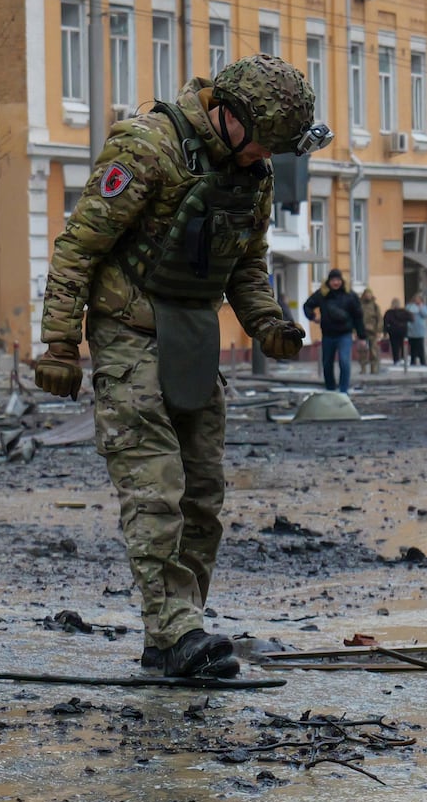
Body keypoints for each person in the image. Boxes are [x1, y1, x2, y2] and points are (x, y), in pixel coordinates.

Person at [33, 54, 331, 680]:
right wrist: (60, 346)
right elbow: (77, 249)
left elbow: (245, 264)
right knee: (155, 485)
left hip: (194, 335)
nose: (263, 159)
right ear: (229, 116)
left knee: (202, 495)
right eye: (262, 145)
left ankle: (176, 628)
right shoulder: (147, 149)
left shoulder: (252, 170)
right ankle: (175, 627)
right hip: (128, 332)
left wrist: (268, 324)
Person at [303, 268, 366, 392]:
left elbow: (358, 316)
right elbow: (307, 305)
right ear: (329, 281)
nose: (335, 283)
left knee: (344, 361)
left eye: (338, 280)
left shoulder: (350, 295)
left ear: (342, 281)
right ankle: (330, 389)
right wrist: (313, 316)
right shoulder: (322, 294)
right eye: (333, 280)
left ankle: (343, 391)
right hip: (328, 335)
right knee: (327, 364)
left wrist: (362, 336)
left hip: (345, 334)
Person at [358, 286, 383, 374]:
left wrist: (379, 330)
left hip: (373, 331)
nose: (368, 296)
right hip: (361, 331)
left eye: (369, 294)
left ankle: (374, 368)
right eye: (366, 294)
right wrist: (354, 331)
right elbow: (356, 318)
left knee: (374, 350)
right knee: (362, 350)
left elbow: (379, 319)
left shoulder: (375, 306)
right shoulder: (359, 305)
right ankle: (363, 368)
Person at [382, 297, 409, 368]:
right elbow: (410, 318)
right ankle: (403, 358)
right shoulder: (403, 311)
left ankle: (396, 360)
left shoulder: (388, 312)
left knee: (395, 346)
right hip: (402, 330)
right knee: (403, 345)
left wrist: (385, 332)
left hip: (393, 331)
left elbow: (385, 322)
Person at [406, 289, 427, 368]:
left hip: (420, 330)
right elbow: (407, 314)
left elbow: (425, 315)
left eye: (418, 299)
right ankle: (413, 361)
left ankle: (422, 361)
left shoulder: (423, 306)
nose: (417, 300)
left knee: (420, 347)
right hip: (411, 330)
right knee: (412, 347)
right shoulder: (410, 306)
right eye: (416, 299)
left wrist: (420, 307)